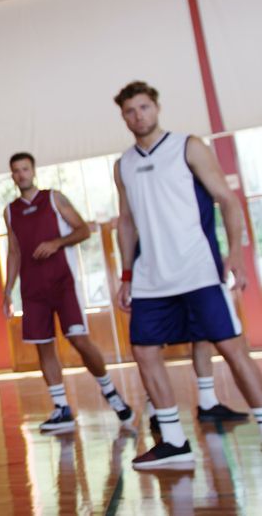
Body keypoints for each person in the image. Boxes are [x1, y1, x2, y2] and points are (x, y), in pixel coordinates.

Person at [112, 80, 262, 469]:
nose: (137, 116)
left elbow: (227, 200)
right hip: (150, 277)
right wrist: (126, 274)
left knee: (232, 349)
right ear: (123, 116)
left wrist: (237, 257)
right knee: (144, 351)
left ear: (156, 108)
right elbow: (126, 222)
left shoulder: (188, 146)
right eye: (129, 110)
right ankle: (174, 442)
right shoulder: (123, 164)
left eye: (143, 107)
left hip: (197, 270)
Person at [2, 153, 134, 431]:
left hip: (62, 283)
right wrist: (7, 291)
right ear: (12, 176)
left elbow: (84, 230)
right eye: (16, 171)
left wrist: (56, 243)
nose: (21, 174)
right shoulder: (10, 211)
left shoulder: (54, 198)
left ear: (33, 171)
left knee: (79, 340)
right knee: (43, 346)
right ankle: (61, 408)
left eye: (25, 169)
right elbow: (13, 252)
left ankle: (110, 392)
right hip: (32, 290)